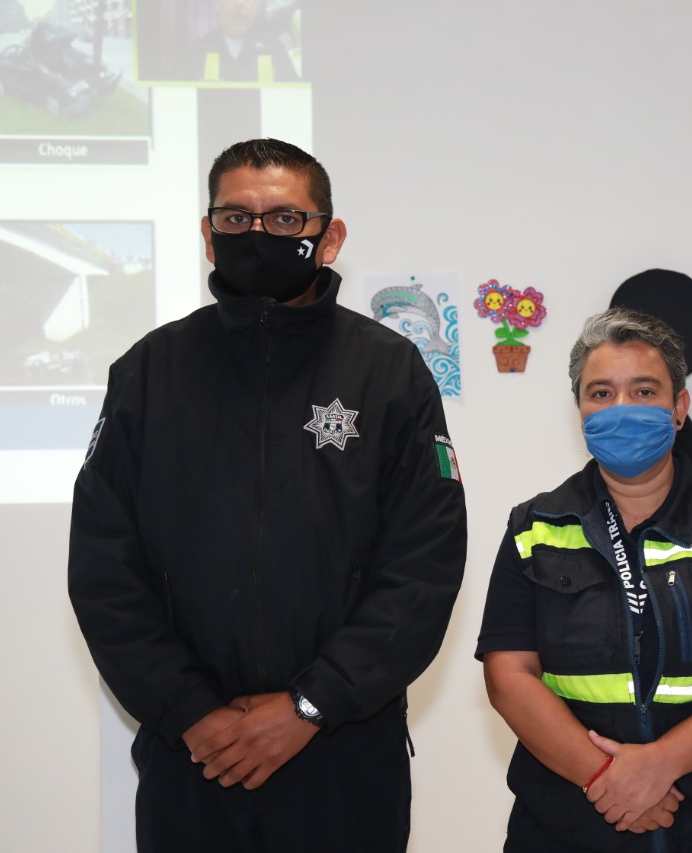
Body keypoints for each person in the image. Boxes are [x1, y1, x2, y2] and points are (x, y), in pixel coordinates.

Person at [68, 138, 467, 852]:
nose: (258, 235)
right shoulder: (149, 372)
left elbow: (423, 565)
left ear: (330, 235)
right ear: (207, 234)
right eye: (237, 218)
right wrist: (193, 712)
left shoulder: (390, 372)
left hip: (342, 753)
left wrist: (310, 705)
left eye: (285, 220)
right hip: (195, 756)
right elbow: (104, 570)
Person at [477, 307, 692, 852]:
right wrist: (605, 780)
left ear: (679, 407)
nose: (622, 409)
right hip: (570, 825)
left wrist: (659, 765)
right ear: (580, 410)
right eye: (602, 394)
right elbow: (508, 676)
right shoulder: (534, 528)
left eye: (644, 391)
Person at [185, 0, 299, 83]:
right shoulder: (198, 52)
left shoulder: (274, 51)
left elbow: (295, 101)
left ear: (256, 6)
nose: (240, 3)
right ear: (217, 4)